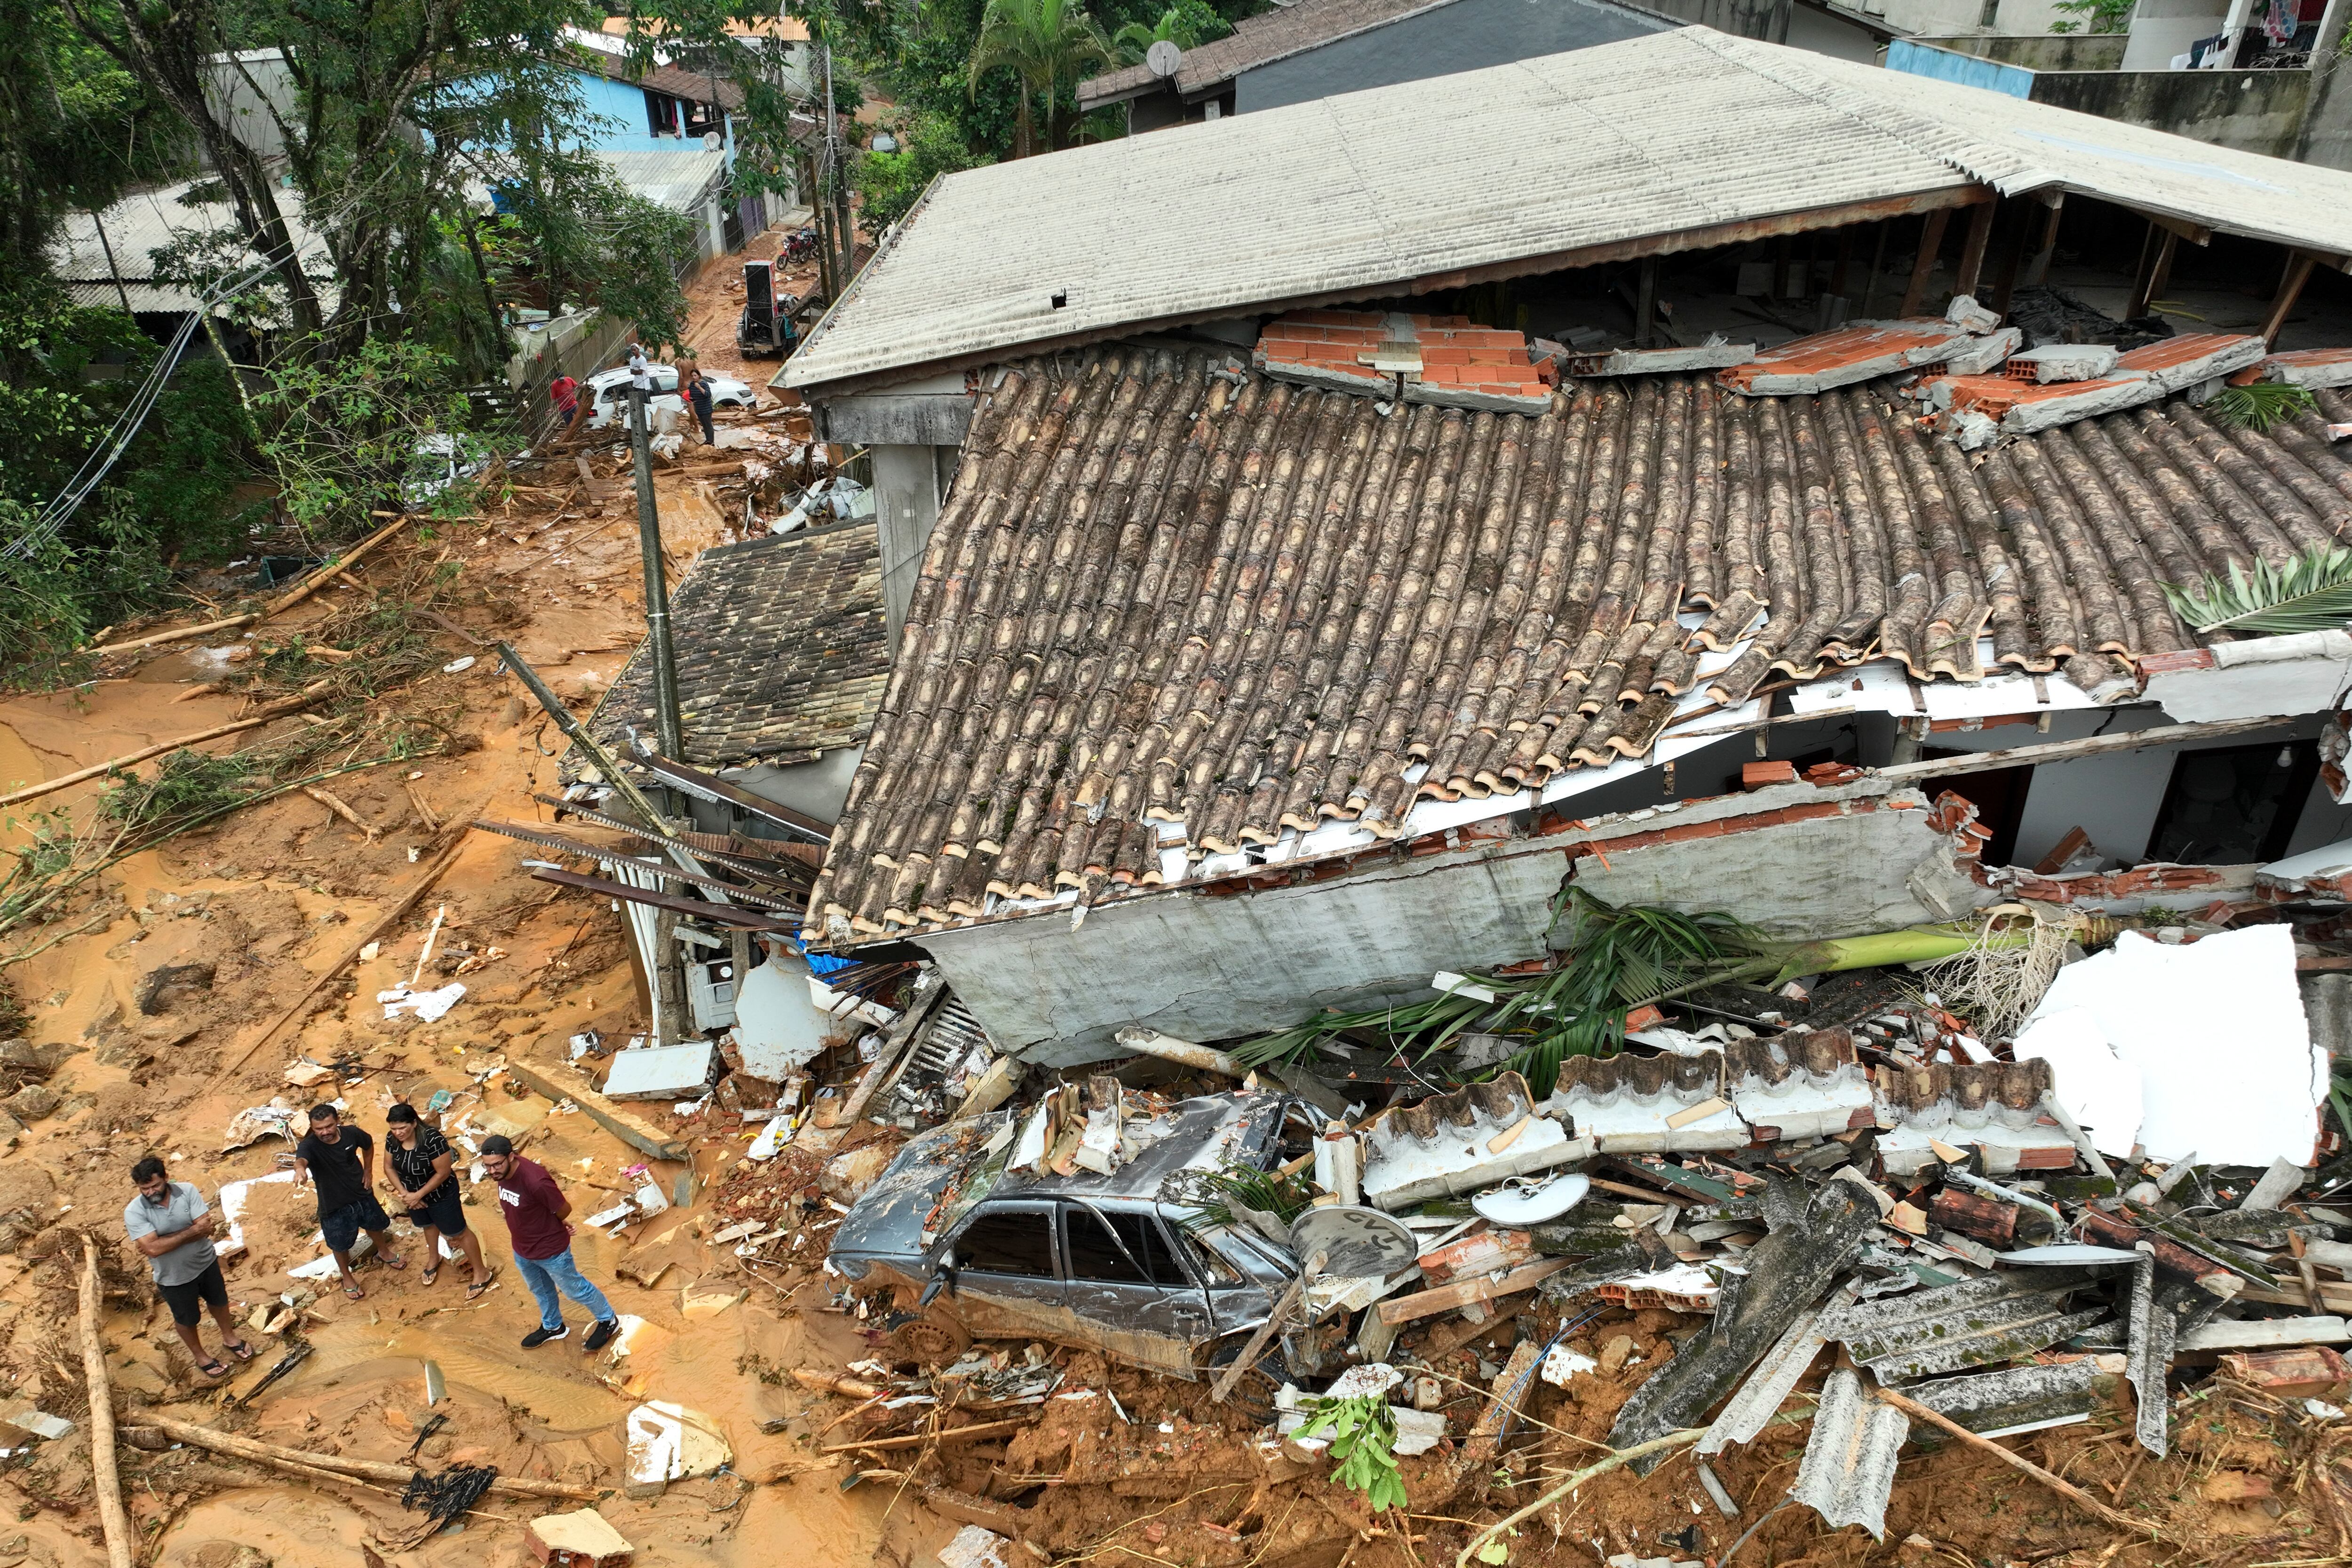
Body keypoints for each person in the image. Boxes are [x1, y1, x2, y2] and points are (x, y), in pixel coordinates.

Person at [479, 1134, 620, 1351]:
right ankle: (553, 1327)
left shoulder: (536, 1181)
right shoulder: (501, 1175)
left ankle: (608, 1319)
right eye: (487, 1166)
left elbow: (564, 1209)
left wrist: (558, 1221)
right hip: (523, 1248)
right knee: (540, 1289)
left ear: (512, 1157)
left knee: (576, 1291)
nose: (492, 1171)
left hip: (551, 1250)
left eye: (497, 1164)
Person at [124, 1157, 255, 1379]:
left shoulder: (187, 1191)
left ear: (166, 1178)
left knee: (219, 1302)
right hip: (173, 1277)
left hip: (205, 1262)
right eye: (144, 1188)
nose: (150, 1192)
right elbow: (155, 1249)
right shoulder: (135, 1212)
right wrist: (190, 1232)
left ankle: (230, 1338)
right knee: (187, 1319)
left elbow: (206, 1228)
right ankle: (201, 1356)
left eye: (155, 1185)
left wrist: (162, 1241)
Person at [381, 1104, 494, 1299]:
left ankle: (482, 1272)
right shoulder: (392, 1139)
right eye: (394, 1129)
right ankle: (434, 1258)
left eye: (402, 1128)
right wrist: (406, 1194)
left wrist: (419, 1195)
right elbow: (388, 1167)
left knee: (458, 1233)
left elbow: (444, 1172)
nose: (398, 1133)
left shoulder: (432, 1139)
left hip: (440, 1194)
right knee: (428, 1225)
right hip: (411, 1195)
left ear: (414, 1123)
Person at [294, 1104, 403, 1299]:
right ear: (312, 1128)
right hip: (333, 1204)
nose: (325, 1132)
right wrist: (300, 1170)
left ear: (338, 1121)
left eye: (329, 1126)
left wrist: (368, 1170)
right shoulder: (309, 1145)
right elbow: (301, 1160)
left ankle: (384, 1252)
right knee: (339, 1244)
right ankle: (347, 1277)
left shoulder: (352, 1134)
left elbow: (368, 1144)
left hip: (362, 1192)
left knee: (375, 1226)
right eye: (319, 1129)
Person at [681, 361, 716, 446]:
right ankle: (708, 440)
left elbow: (708, 395)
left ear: (699, 376)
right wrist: (690, 400)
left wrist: (700, 388)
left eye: (695, 376)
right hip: (699, 409)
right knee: (704, 425)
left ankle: (711, 442)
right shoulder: (692, 385)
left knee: (708, 425)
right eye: (692, 376)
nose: (694, 377)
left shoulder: (703, 384)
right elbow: (693, 396)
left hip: (706, 408)